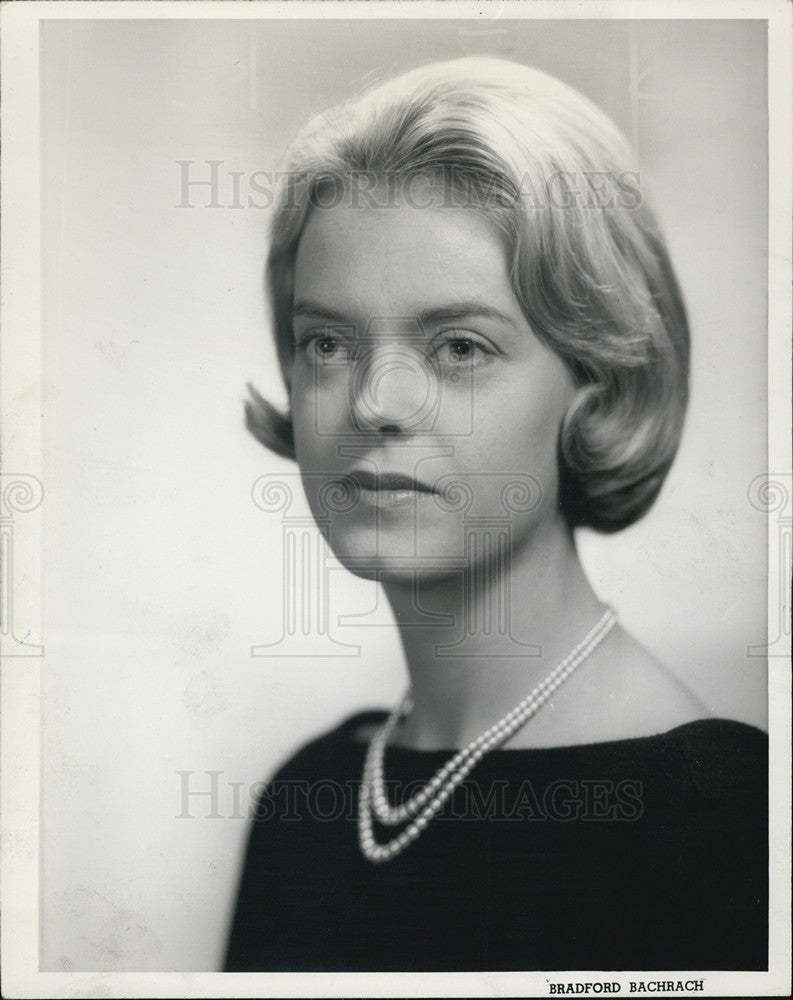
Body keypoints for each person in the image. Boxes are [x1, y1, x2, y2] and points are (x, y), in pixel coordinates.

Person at [225, 57, 767, 972]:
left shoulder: (718, 817)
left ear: (595, 387)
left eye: (459, 347)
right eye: (328, 342)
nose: (375, 402)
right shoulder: (308, 798)